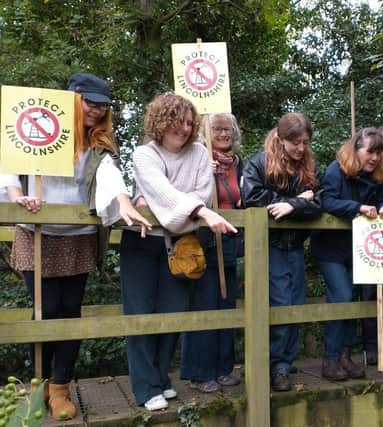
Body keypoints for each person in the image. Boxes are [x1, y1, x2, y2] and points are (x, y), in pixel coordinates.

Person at [0, 73, 151, 420]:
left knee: (70, 313)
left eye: (103, 105)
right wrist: (17, 198)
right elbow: (9, 166)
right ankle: (35, 386)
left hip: (78, 235)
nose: (97, 110)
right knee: (44, 311)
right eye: (90, 102)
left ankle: (61, 387)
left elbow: (110, 175)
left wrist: (124, 201)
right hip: (36, 231)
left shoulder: (98, 142)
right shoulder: (37, 126)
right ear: (71, 99)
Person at [120, 93, 236, 411]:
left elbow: (199, 192)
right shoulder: (144, 154)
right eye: (178, 121)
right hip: (143, 242)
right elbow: (164, 191)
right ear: (161, 121)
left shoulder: (200, 152)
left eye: (189, 122)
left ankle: (160, 378)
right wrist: (194, 210)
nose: (184, 128)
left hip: (182, 242)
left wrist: (167, 204)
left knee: (173, 312)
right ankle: (145, 388)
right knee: (141, 314)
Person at [242, 112, 322, 392]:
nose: (301, 148)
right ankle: (275, 365)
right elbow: (251, 198)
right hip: (269, 246)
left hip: (296, 247)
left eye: (305, 142)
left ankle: (286, 362)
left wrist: (295, 206)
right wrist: (297, 200)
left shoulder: (307, 167)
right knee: (280, 305)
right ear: (280, 138)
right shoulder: (259, 162)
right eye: (295, 142)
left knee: (296, 306)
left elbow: (320, 202)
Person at [310, 127, 383, 381]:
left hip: (359, 249)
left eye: (378, 153)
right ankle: (331, 359)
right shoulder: (336, 170)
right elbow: (326, 202)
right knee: (342, 298)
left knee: (352, 301)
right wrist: (357, 207)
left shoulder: (379, 176)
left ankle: (346, 357)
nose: (374, 158)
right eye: (370, 151)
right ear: (356, 149)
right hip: (330, 249)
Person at [180, 113, 243, 392]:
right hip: (202, 239)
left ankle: (223, 368)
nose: (223, 134)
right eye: (217, 129)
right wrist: (208, 174)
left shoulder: (237, 164)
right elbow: (184, 196)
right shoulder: (196, 159)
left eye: (227, 129)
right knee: (203, 304)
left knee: (226, 302)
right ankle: (200, 372)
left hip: (229, 239)